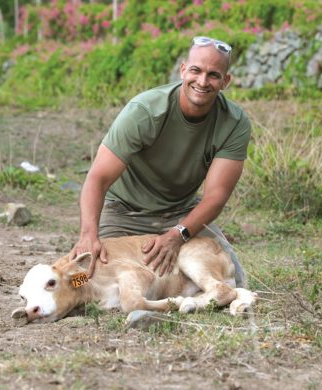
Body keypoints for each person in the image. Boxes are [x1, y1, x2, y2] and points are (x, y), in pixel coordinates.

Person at [69, 36, 251, 287]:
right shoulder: (145, 110)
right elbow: (98, 178)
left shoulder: (235, 123)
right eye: (196, 71)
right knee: (86, 278)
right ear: (183, 70)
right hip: (125, 211)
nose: (202, 81)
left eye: (213, 75)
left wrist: (178, 235)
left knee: (234, 281)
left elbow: (215, 198)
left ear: (225, 81)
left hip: (181, 213)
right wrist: (89, 235)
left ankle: (186, 299)